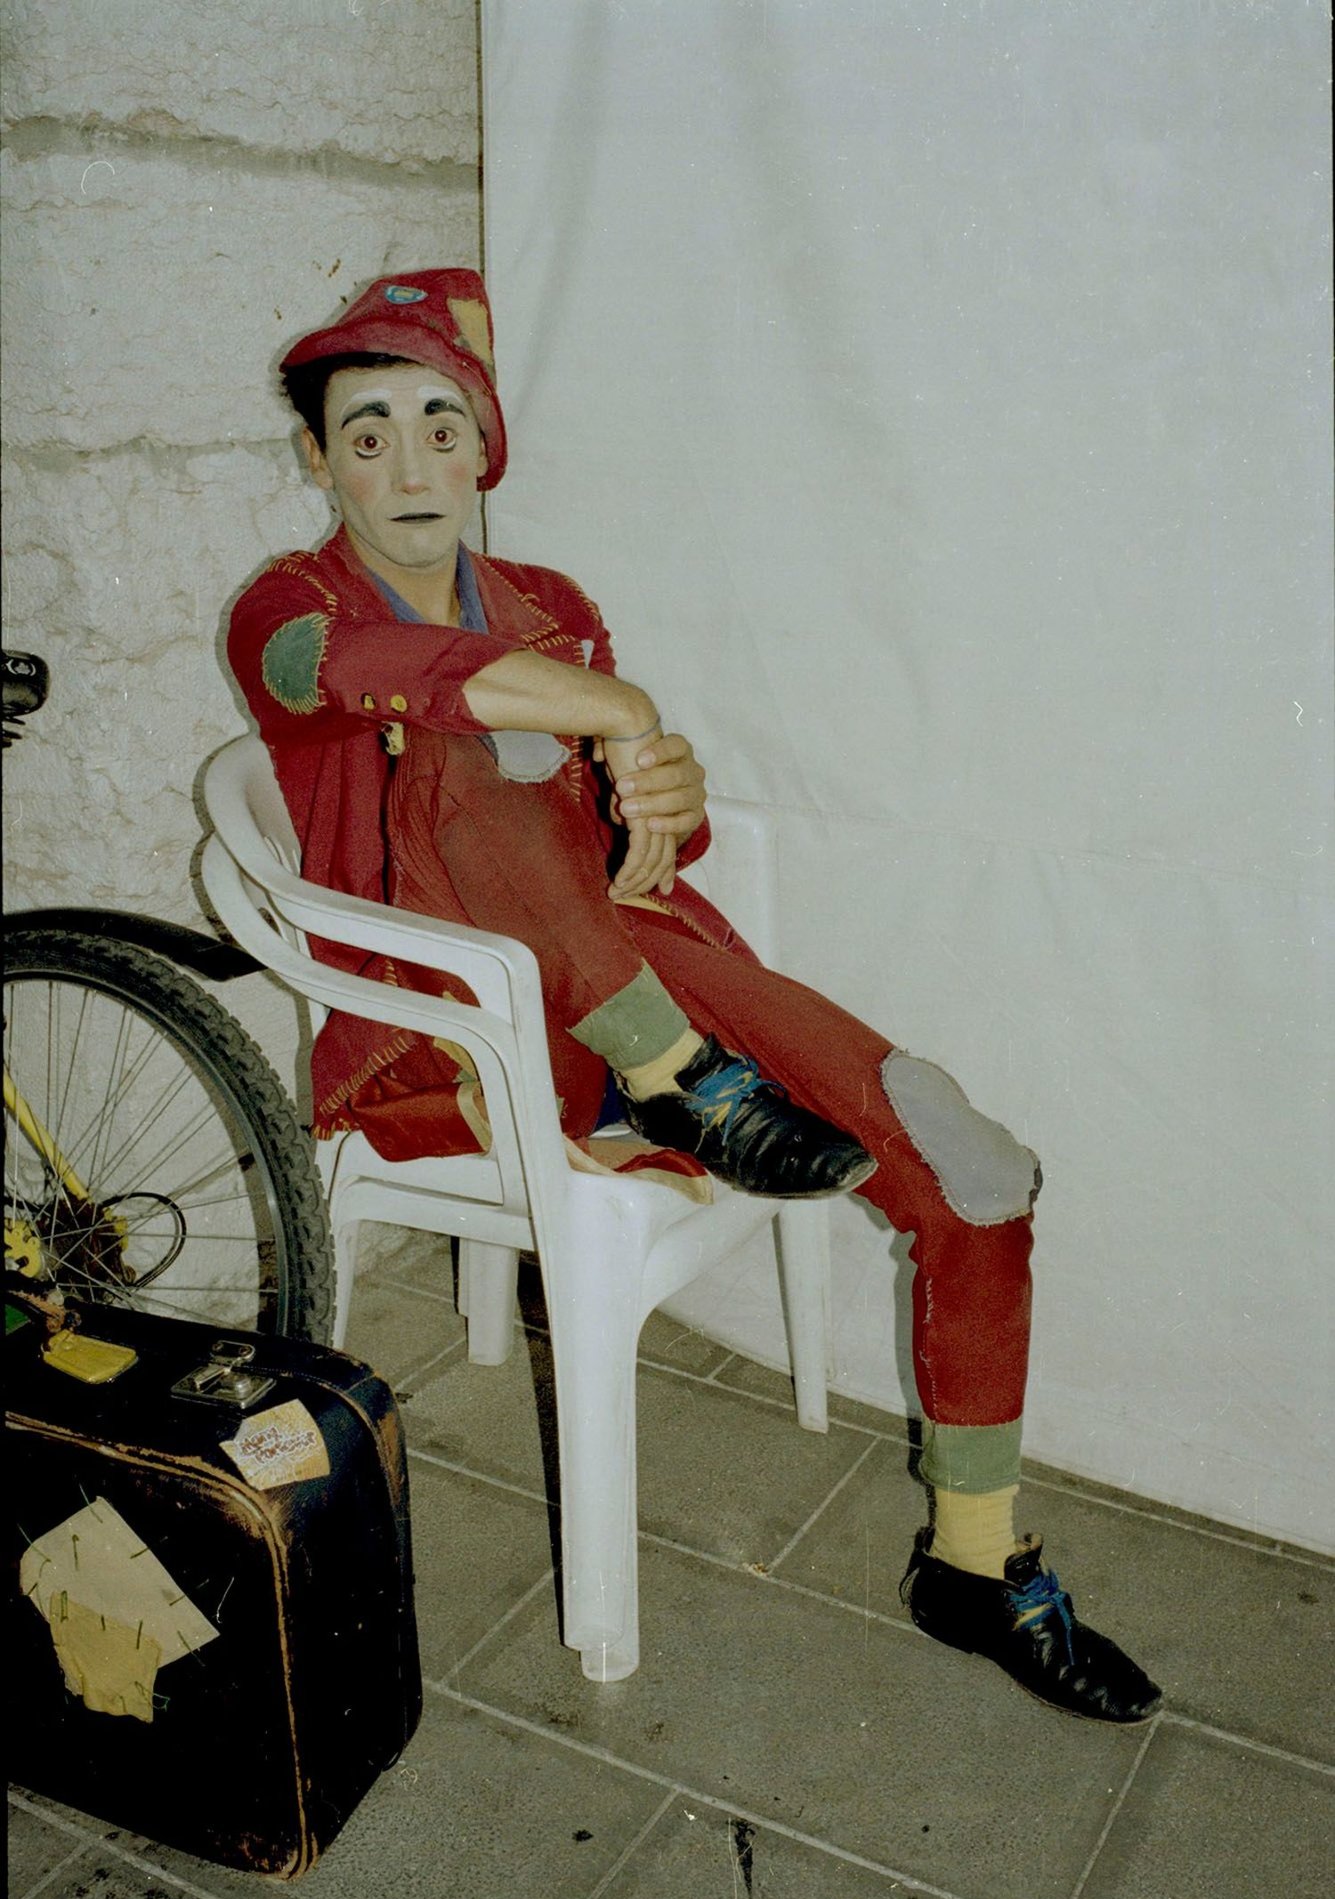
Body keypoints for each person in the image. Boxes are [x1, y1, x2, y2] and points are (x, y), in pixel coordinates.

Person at [228, 268, 1161, 1724]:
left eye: (438, 426)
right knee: (470, 741)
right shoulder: (285, 611)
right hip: (453, 1031)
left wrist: (666, 789)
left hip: (630, 967)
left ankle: (976, 1561)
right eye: (366, 434)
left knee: (971, 1170)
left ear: (483, 448)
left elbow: (628, 851)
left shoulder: (556, 610)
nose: (407, 467)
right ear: (318, 458)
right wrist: (618, 710)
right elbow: (391, 679)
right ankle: (678, 1080)